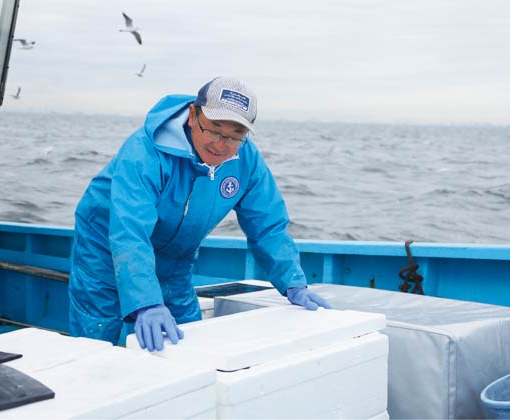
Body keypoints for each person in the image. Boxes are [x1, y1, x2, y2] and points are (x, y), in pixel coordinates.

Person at [68, 77, 331, 352]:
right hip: (107, 247)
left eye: (234, 134)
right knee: (96, 337)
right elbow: (129, 232)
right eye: (214, 129)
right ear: (193, 115)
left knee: (190, 341)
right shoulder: (143, 153)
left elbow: (268, 228)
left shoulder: (247, 161)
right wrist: (146, 302)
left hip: (176, 257)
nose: (220, 144)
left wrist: (293, 284)